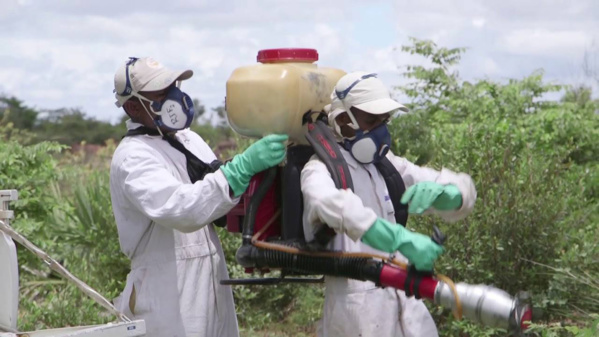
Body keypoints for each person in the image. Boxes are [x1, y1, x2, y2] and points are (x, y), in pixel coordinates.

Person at [109, 56, 288, 337]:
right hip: (166, 289)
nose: (174, 97)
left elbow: (217, 198)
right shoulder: (133, 156)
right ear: (133, 107)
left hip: (210, 278)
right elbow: (183, 209)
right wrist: (242, 167)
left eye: (174, 87)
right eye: (161, 93)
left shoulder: (188, 140)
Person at [302, 72, 477, 337]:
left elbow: (456, 186)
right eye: (372, 120)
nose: (381, 130)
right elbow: (335, 205)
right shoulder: (318, 170)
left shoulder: (385, 165)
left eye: (384, 121)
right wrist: (396, 237)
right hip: (358, 311)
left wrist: (450, 194)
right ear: (342, 120)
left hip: (405, 303)